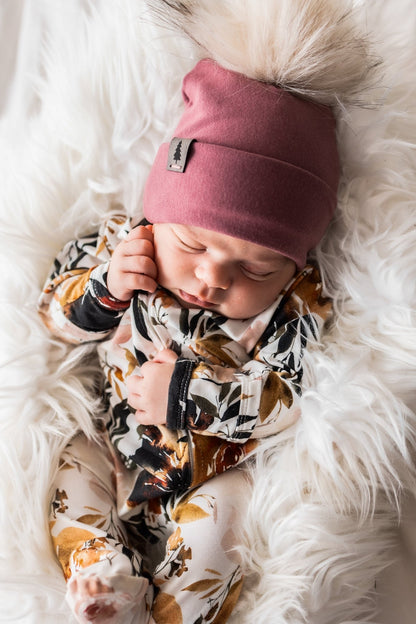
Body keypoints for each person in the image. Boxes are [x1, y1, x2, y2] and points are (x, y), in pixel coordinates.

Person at [38, 58, 336, 624]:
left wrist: (185, 393)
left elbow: (290, 398)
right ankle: (102, 577)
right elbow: (51, 314)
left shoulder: (294, 304)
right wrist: (103, 290)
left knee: (224, 523)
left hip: (211, 473)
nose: (213, 278)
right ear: (159, 213)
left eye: (255, 270)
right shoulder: (127, 245)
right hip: (112, 444)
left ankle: (173, 613)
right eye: (193, 247)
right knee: (72, 465)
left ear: (290, 269)